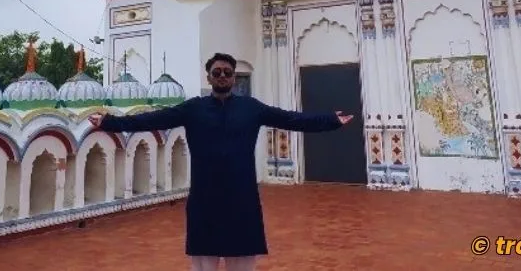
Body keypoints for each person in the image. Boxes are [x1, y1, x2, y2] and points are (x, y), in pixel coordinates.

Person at [88, 52, 353, 271]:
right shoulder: (193, 108)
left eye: (227, 72)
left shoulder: (251, 108)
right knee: (204, 260)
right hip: (206, 195)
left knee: (242, 259)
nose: (223, 76)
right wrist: (109, 122)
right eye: (217, 72)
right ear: (209, 77)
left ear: (234, 77)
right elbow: (151, 120)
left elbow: (291, 119)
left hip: (242, 196)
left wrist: (330, 120)